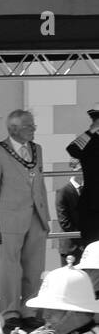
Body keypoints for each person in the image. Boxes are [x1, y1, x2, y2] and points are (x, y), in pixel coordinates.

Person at [0, 110, 48, 330]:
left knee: (34, 265)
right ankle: (10, 311)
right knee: (11, 266)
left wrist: (46, 217)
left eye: (33, 125)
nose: (34, 129)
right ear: (13, 129)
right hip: (9, 217)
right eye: (29, 126)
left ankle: (29, 309)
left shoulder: (36, 149)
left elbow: (39, 185)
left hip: (36, 216)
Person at [65, 103, 99, 247]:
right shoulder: (89, 142)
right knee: (93, 250)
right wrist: (91, 131)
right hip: (93, 206)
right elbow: (72, 149)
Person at [56, 160, 84, 266]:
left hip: (87, 247)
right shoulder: (63, 192)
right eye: (81, 169)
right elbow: (64, 222)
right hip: (71, 247)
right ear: (72, 169)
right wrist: (81, 242)